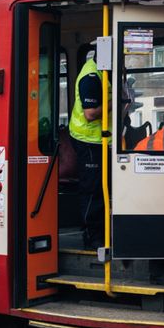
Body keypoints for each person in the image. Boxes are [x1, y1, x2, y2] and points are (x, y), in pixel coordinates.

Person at [69, 43, 105, 249]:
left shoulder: (104, 73)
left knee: (103, 188)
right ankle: (92, 237)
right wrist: (115, 101)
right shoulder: (91, 77)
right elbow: (90, 114)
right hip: (88, 140)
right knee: (93, 190)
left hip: (101, 140)